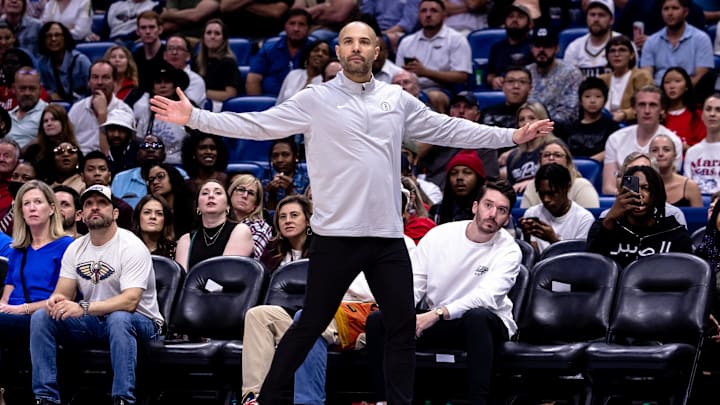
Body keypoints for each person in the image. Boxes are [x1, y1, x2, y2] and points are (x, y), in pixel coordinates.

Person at [149, 20, 552, 405]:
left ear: (377, 51)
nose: (356, 47)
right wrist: (196, 118)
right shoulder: (315, 99)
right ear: (339, 50)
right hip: (335, 238)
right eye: (348, 41)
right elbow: (259, 125)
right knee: (308, 325)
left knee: (399, 329)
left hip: (386, 240)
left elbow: (448, 128)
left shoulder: (396, 100)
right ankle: (267, 398)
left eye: (364, 42)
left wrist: (510, 136)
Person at [367, 179, 522, 405]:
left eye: (501, 210)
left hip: (487, 323)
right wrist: (404, 314)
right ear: (475, 206)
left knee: (477, 317)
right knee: (379, 320)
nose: (492, 214)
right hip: (437, 319)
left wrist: (436, 314)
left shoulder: (509, 250)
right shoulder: (439, 236)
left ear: (507, 218)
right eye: (488, 205)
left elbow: (487, 297)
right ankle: (385, 401)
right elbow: (416, 284)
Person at [30, 184, 164, 405]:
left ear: (115, 213)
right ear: (81, 215)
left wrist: (82, 308)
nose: (95, 208)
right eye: (89, 204)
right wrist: (57, 301)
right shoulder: (75, 248)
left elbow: (130, 301)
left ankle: (122, 399)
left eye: (102, 203)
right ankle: (45, 398)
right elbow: (63, 293)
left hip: (144, 323)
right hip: (96, 321)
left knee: (119, 318)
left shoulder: (131, 245)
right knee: (42, 317)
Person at [0, 181, 73, 353]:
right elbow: (7, 295)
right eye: (26, 203)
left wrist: (19, 309)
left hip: (43, 317)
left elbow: (63, 299)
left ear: (51, 209)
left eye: (38, 202)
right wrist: (4, 306)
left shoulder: (66, 246)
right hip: (11, 315)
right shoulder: (18, 250)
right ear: (21, 212)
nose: (32, 208)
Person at [587, 165, 693, 268]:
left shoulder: (674, 232)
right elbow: (591, 269)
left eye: (645, 188)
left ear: (656, 194)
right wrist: (609, 220)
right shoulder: (605, 226)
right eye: (633, 188)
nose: (639, 194)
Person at [601, 85, 683, 195]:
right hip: (623, 203)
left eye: (653, 105)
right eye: (642, 104)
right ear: (634, 109)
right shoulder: (616, 139)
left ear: (662, 110)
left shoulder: (673, 142)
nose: (647, 110)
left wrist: (631, 187)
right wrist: (635, 196)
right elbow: (608, 187)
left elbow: (668, 187)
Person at [394, 0, 472, 114]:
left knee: (434, 96)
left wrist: (426, 72)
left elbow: (462, 75)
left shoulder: (457, 39)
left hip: (444, 90)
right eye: (423, 11)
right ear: (418, 15)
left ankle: (442, 130)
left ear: (444, 15)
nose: (428, 14)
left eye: (434, 11)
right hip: (409, 87)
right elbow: (398, 72)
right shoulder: (407, 42)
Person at [174, 179, 253, 271]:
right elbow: (183, 279)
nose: (211, 196)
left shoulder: (240, 231)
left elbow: (224, 273)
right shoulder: (186, 240)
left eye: (218, 193)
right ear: (198, 207)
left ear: (228, 206)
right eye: (205, 193)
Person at [519, 163, 595, 253]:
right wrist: (526, 237)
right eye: (542, 194)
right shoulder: (532, 213)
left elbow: (578, 261)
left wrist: (553, 239)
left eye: (552, 193)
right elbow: (531, 257)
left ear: (567, 187)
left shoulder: (584, 219)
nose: (546, 199)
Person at [639, 0, 713, 87]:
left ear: (685, 12)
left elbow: (700, 76)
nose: (670, 13)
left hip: (690, 92)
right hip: (658, 94)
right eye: (666, 9)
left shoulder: (701, 39)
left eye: (675, 8)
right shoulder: (652, 41)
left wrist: (679, 90)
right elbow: (647, 77)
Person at [68, 60, 134, 155]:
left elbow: (118, 153)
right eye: (95, 77)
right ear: (89, 82)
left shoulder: (124, 111)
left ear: (115, 82)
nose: (99, 82)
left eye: (105, 77)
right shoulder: (77, 108)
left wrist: (102, 115)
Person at [132, 61, 190, 165]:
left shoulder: (187, 110)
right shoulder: (146, 113)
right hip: (151, 165)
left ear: (175, 85)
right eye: (158, 82)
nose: (163, 86)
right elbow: (140, 141)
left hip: (180, 165)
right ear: (152, 87)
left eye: (167, 82)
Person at [245, 8, 311, 96]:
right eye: (292, 23)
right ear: (285, 26)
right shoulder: (268, 49)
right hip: (271, 103)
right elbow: (253, 79)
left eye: (301, 24)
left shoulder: (316, 51)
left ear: (309, 28)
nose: (296, 28)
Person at [526, 26, 583, 127]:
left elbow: (570, 112)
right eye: (537, 46)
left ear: (557, 48)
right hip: (527, 128)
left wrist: (541, 125)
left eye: (547, 46)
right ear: (531, 48)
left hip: (559, 130)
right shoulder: (526, 72)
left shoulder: (571, 73)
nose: (541, 50)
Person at [521, 138, 600, 208]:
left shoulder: (581, 186)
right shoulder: (532, 186)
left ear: (567, 161)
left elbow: (590, 219)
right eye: (546, 155)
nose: (551, 158)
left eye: (557, 155)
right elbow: (524, 217)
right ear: (540, 162)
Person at [558, 76, 619, 161]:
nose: (592, 101)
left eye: (598, 96)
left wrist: (589, 164)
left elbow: (614, 150)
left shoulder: (612, 126)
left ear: (605, 100)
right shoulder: (569, 127)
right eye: (587, 96)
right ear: (580, 100)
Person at [598, 35, 654, 123]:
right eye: (612, 51)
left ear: (631, 55)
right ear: (607, 57)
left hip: (631, 124)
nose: (617, 55)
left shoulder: (642, 76)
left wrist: (624, 114)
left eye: (622, 50)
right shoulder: (602, 79)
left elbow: (645, 105)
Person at [503, 102, 556, 193]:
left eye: (532, 118)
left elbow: (561, 178)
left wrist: (532, 183)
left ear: (543, 121)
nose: (526, 123)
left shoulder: (554, 147)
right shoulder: (513, 157)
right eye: (521, 119)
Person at [36, 21, 91, 102]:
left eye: (57, 35)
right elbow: (41, 87)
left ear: (65, 37)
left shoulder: (81, 61)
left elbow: (94, 87)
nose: (53, 39)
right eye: (49, 36)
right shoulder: (42, 62)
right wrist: (49, 94)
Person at [561, 0, 618, 78]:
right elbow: (569, 82)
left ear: (612, 20)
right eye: (592, 14)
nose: (596, 19)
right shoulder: (574, 48)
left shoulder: (625, 45)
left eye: (601, 15)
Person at [79, 150, 134, 229]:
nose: (97, 173)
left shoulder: (124, 209)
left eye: (102, 169)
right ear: (82, 176)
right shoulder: (76, 207)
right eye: (91, 169)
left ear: (109, 176)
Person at [486, 2, 534, 90]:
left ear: (530, 24)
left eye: (520, 16)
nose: (514, 20)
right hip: (501, 91)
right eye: (510, 16)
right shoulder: (497, 47)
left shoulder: (536, 46)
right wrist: (494, 80)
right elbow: (490, 75)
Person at [430, 149, 485, 225]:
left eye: (467, 172)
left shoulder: (487, 212)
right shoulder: (437, 212)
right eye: (454, 173)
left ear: (478, 179)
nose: (459, 177)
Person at [24, 103, 77, 180]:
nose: (49, 123)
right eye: (45, 121)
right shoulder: (33, 150)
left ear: (63, 123)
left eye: (54, 119)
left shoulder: (73, 150)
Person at [649, 133, 702, 207]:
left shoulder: (690, 186)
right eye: (655, 150)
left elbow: (699, 217)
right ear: (649, 155)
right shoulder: (644, 186)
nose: (660, 154)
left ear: (675, 155)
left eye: (666, 150)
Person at [193, 18, 239, 104]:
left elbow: (230, 94)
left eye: (217, 33)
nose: (212, 36)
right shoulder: (196, 61)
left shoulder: (228, 63)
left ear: (223, 39)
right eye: (209, 33)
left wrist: (200, 92)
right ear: (203, 37)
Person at [228, 173, 272, 260]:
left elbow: (250, 262)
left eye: (251, 193)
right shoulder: (219, 220)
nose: (244, 196)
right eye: (241, 190)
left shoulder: (260, 227)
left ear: (255, 205)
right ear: (230, 194)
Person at [145, 163, 194, 238]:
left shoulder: (192, 207)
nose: (155, 182)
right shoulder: (148, 211)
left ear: (172, 177)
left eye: (160, 176)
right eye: (151, 180)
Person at [660, 66, 705, 148]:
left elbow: (703, 149)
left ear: (686, 86)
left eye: (677, 81)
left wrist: (681, 147)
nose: (672, 86)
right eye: (667, 82)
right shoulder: (657, 115)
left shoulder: (697, 115)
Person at [685, 93, 720, 195]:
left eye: (718, 110)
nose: (712, 114)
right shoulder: (692, 152)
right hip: (697, 202)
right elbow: (687, 188)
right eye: (708, 109)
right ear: (702, 115)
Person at [276, 39, 331, 105]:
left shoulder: (327, 81)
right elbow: (279, 102)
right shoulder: (293, 74)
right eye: (316, 50)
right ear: (308, 54)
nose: (320, 54)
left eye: (325, 53)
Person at [6, 66, 48, 149]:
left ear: (40, 89)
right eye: (22, 88)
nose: (27, 93)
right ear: (14, 89)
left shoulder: (49, 113)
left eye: (32, 89)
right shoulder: (7, 117)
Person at [263, 137, 309, 211]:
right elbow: (265, 216)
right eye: (275, 156)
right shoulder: (265, 181)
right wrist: (272, 196)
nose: (279, 160)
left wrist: (290, 192)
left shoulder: (307, 182)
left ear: (295, 156)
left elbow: (307, 212)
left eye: (285, 155)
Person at [162, 34, 206, 108]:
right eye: (170, 48)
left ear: (188, 56)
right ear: (165, 55)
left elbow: (188, 108)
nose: (174, 52)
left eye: (179, 49)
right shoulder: (157, 78)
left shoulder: (196, 81)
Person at [181, 130, 228, 195]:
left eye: (213, 148)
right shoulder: (187, 185)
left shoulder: (227, 180)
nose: (209, 152)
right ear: (193, 153)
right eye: (202, 148)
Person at [131, 193, 176, 259]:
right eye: (147, 212)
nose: (153, 217)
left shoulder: (175, 250)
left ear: (166, 220)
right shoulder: (126, 248)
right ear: (138, 217)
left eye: (159, 213)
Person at [101, 108, 139, 175]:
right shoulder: (102, 159)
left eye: (122, 130)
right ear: (106, 132)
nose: (116, 135)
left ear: (129, 134)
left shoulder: (139, 157)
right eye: (112, 130)